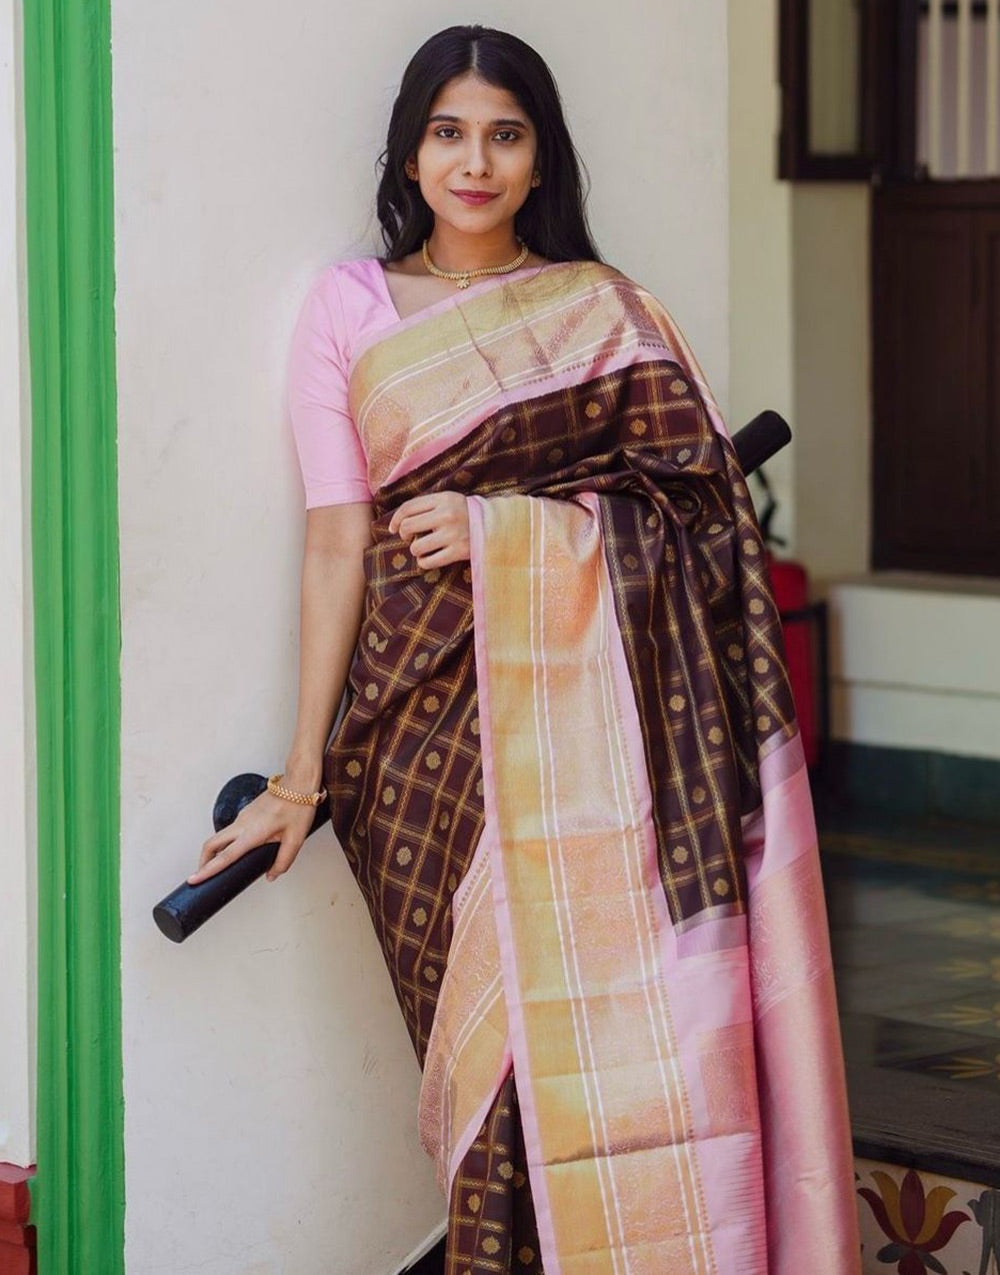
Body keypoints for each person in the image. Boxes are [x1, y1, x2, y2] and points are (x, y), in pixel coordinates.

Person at [189, 23, 861, 1274]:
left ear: (541, 158)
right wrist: (299, 777)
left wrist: (516, 533)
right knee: (498, 1077)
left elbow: (706, 516)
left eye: (504, 133)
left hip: (627, 749)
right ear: (407, 148)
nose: (475, 161)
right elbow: (339, 542)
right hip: (425, 743)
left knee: (638, 1048)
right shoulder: (350, 305)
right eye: (448, 131)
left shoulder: (602, 310)